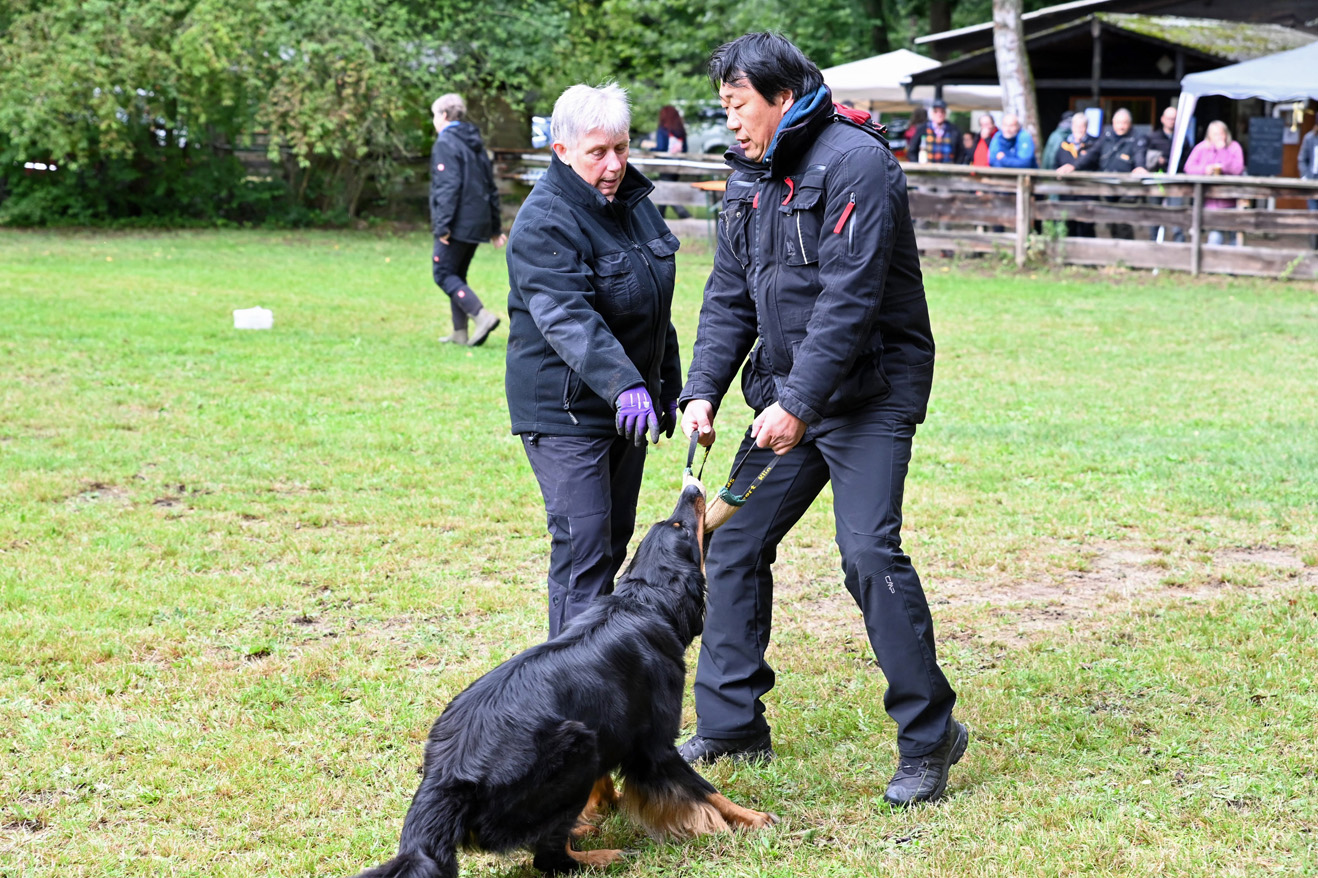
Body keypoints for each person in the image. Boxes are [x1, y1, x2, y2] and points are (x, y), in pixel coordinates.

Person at [676, 32, 965, 808]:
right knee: (727, 536)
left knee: (867, 552)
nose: (732, 123)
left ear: (778, 95)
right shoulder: (749, 176)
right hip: (786, 396)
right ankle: (732, 721)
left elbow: (850, 301)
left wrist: (798, 407)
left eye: (739, 107)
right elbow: (730, 293)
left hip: (870, 394)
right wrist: (702, 387)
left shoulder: (857, 164)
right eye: (726, 108)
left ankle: (931, 737)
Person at [504, 83, 683, 639]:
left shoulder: (634, 206)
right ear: (561, 150)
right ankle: (569, 696)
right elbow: (567, 317)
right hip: (566, 410)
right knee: (583, 549)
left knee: (611, 541)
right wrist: (625, 383)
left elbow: (653, 304)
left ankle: (599, 673)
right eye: (598, 153)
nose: (613, 166)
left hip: (625, 404)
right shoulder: (544, 222)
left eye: (622, 149)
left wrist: (664, 384)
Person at [429, 93, 505, 346]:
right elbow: (490, 186)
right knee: (457, 273)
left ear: (443, 116)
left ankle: (481, 316)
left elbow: (448, 187)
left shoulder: (446, 143)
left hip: (457, 223)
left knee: (442, 272)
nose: (434, 121)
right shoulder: (475, 143)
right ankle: (459, 332)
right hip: (478, 221)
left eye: (434, 115)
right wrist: (495, 228)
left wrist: (443, 226)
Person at [1058, 108, 1148, 238]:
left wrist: (1140, 167)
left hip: (1126, 187)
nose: (1121, 126)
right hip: (1107, 186)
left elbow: (1140, 153)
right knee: (1110, 221)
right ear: (1113, 122)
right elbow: (1092, 154)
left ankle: (1125, 253)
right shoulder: (1106, 136)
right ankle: (1114, 253)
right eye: (1118, 123)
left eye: (1124, 123)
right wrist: (1073, 166)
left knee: (1123, 222)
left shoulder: (1137, 138)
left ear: (1130, 123)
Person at [1184, 120, 1246, 246]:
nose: (1218, 137)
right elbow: (1188, 167)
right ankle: (1212, 264)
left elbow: (1238, 169)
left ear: (1226, 134)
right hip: (1210, 201)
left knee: (1234, 237)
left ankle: (1234, 263)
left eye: (1221, 133)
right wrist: (1204, 170)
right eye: (1215, 134)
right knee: (1215, 236)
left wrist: (1223, 152)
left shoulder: (1234, 147)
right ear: (1209, 135)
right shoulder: (1202, 148)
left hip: (1231, 200)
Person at [1144, 105, 1189, 242]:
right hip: (1157, 180)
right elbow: (1146, 159)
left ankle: (1179, 245)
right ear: (1163, 119)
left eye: (1174, 119)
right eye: (1169, 118)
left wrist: (1170, 162)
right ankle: (1154, 244)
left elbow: (1187, 161)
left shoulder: (1183, 139)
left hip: (1175, 181)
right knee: (1155, 213)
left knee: (1177, 213)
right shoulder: (1153, 138)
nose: (1171, 121)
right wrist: (1157, 160)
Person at [1050, 112, 1097, 237]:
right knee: (1068, 225)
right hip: (1067, 193)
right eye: (1076, 126)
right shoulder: (1064, 145)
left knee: (1086, 227)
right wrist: (1058, 174)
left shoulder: (1094, 144)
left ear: (1086, 127)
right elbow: (1056, 164)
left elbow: (1096, 165)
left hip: (1087, 193)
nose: (1079, 130)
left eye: (1082, 126)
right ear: (1072, 127)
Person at [654, 104, 693, 220]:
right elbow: (685, 149)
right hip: (678, 165)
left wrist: (649, 149)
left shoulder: (663, 130)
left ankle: (684, 215)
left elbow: (660, 148)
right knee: (667, 190)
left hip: (666, 165)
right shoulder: (680, 130)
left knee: (667, 191)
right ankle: (659, 218)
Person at [909, 99, 965, 164]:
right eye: (936, 111)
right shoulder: (922, 129)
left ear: (946, 113)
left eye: (942, 111)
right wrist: (918, 167)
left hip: (948, 170)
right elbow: (912, 150)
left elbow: (961, 152)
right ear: (931, 113)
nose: (939, 114)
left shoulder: (954, 130)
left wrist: (956, 168)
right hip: (926, 170)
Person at [1300, 123, 1318, 250]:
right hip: (1312, 181)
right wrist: (1305, 176)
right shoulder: (1309, 138)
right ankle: (1314, 246)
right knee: (1313, 214)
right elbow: (1302, 159)